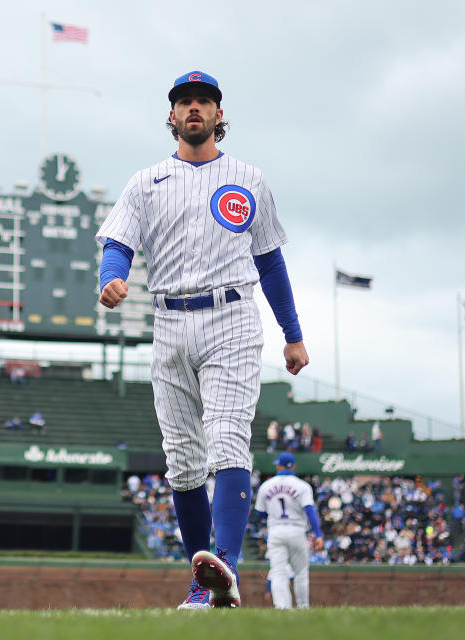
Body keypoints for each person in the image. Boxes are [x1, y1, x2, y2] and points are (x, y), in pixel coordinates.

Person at [96, 70, 309, 609]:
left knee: (227, 436)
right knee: (183, 460)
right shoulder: (145, 182)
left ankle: (228, 565)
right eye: (185, 102)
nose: (194, 109)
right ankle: (204, 583)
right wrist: (109, 277)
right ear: (171, 116)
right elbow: (118, 242)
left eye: (204, 102)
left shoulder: (248, 178)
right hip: (168, 320)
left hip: (230, 317)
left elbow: (270, 262)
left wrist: (293, 335)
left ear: (219, 114)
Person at [254, 453, 323, 609]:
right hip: (297, 529)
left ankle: (282, 607)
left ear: (279, 465)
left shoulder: (266, 485)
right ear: (293, 466)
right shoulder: (303, 486)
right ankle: (303, 606)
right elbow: (310, 511)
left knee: (278, 572)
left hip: (276, 530)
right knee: (301, 572)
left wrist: (273, 512)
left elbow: (260, 513)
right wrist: (318, 534)